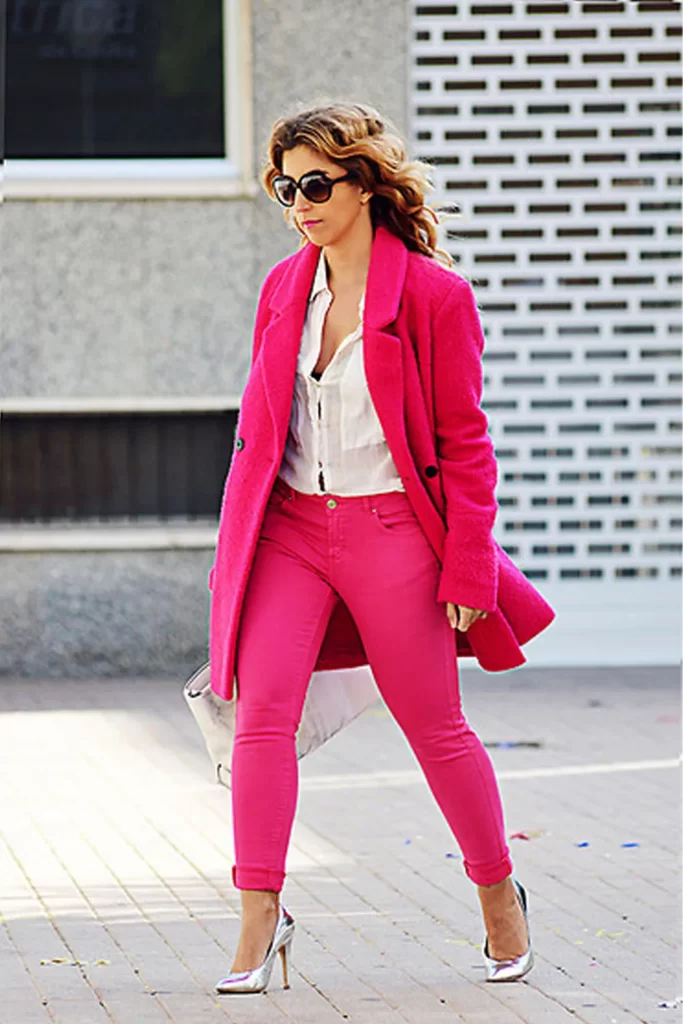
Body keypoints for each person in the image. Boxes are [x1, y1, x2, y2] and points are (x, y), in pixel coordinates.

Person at [210, 102, 555, 995]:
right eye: (285, 188)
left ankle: (495, 895)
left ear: (364, 183)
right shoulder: (283, 287)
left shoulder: (436, 296)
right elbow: (261, 431)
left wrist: (468, 565)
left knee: (433, 726)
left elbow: (467, 445)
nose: (300, 204)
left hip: (393, 530)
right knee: (261, 718)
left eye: (317, 184)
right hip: (289, 529)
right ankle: (260, 914)